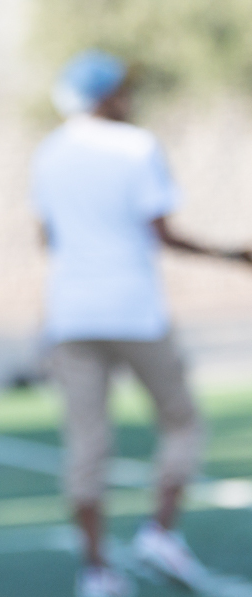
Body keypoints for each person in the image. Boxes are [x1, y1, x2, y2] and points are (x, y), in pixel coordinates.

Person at [31, 51, 252, 597]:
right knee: (183, 422)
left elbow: (47, 239)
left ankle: (96, 570)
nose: (130, 98)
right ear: (107, 96)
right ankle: (160, 532)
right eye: (123, 90)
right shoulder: (138, 146)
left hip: (72, 314)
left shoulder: (48, 153)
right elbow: (163, 233)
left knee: (86, 446)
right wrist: (232, 255)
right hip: (134, 309)